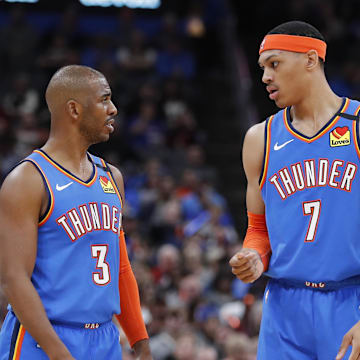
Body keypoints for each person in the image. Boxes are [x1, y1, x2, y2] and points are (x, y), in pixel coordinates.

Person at [0, 65, 152, 359]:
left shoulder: (111, 176)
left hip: (104, 339)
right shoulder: (28, 180)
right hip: (41, 341)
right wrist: (61, 354)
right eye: (104, 99)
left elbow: (120, 268)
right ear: (73, 109)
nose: (114, 109)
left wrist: (141, 343)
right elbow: (15, 280)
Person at [229, 21, 360, 360]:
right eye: (262, 68)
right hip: (284, 308)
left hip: (350, 301)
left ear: (311, 59)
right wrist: (255, 257)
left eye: (274, 64)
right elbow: (258, 230)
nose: (265, 77)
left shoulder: (358, 127)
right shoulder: (260, 139)